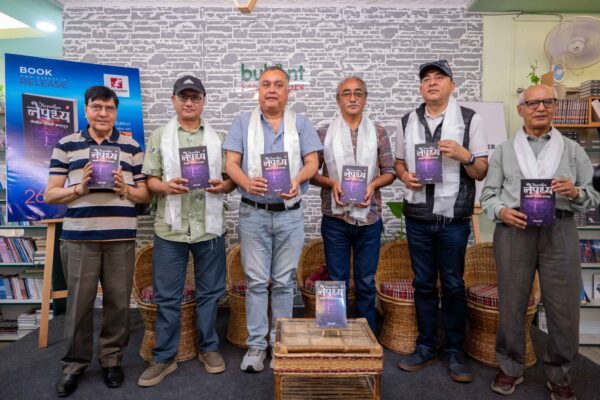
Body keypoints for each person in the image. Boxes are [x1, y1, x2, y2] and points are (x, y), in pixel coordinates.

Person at [481, 84, 599, 400]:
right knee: (511, 303)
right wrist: (502, 211)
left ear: (555, 106)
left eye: (547, 102)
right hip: (514, 230)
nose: (541, 108)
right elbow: (489, 195)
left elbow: (592, 195)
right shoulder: (504, 151)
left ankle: (560, 375)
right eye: (533, 103)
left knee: (564, 307)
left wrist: (575, 192)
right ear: (521, 109)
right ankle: (509, 367)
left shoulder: (572, 151)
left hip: (560, 230)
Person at [44, 86, 150, 397]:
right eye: (97, 107)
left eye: (109, 108)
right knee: (79, 305)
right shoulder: (66, 144)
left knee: (118, 304)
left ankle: (111, 360)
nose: (103, 113)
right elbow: (50, 194)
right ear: (86, 110)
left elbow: (145, 194)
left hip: (121, 238)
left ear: (116, 112)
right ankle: (74, 365)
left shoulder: (132, 147)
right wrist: (78, 189)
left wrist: (125, 189)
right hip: (79, 238)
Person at [138, 75, 236, 387]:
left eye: (195, 97)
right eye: (184, 97)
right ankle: (164, 357)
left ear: (203, 101)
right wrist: (165, 187)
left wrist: (224, 187)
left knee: (210, 293)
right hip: (171, 229)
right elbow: (150, 179)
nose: (189, 102)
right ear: (174, 100)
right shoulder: (160, 136)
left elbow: (230, 180)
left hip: (209, 228)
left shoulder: (218, 138)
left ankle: (209, 348)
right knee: (167, 296)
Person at [394, 60, 488, 382]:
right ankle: (425, 346)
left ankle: (454, 351)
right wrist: (404, 175)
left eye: (439, 77)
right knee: (422, 283)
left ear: (452, 84)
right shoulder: (407, 120)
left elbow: (481, 170)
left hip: (454, 219)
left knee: (452, 284)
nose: (432, 83)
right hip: (418, 217)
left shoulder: (470, 120)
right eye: (426, 79)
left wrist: (465, 156)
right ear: (421, 87)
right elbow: (399, 162)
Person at [224, 66, 322, 372]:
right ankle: (256, 345)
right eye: (266, 84)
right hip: (253, 212)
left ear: (288, 91)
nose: (271, 89)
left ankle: (280, 341)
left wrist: (298, 179)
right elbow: (231, 163)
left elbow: (313, 162)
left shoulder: (301, 124)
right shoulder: (243, 122)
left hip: (289, 215)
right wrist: (246, 182)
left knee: (283, 282)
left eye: (278, 84)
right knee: (255, 282)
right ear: (258, 90)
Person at [311, 75, 395, 332]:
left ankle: (366, 334)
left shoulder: (378, 132)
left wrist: (372, 185)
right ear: (338, 99)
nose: (352, 98)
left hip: (369, 219)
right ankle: (335, 335)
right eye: (346, 93)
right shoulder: (323, 133)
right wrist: (331, 183)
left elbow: (390, 171)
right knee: (336, 281)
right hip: (335, 219)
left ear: (365, 99)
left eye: (358, 93)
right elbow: (311, 174)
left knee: (366, 282)